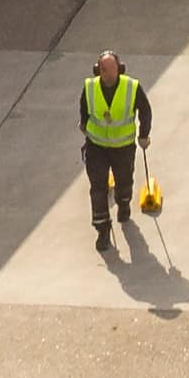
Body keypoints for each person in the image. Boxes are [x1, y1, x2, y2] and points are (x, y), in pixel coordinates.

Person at [77, 51, 152, 252]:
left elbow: (145, 111)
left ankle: (124, 203)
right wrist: (84, 125)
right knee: (98, 187)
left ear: (119, 69)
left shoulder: (131, 87)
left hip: (123, 147)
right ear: (98, 70)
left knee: (124, 180)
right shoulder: (90, 87)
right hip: (97, 146)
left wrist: (144, 135)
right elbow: (84, 109)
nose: (107, 74)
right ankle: (102, 230)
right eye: (103, 70)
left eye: (110, 69)